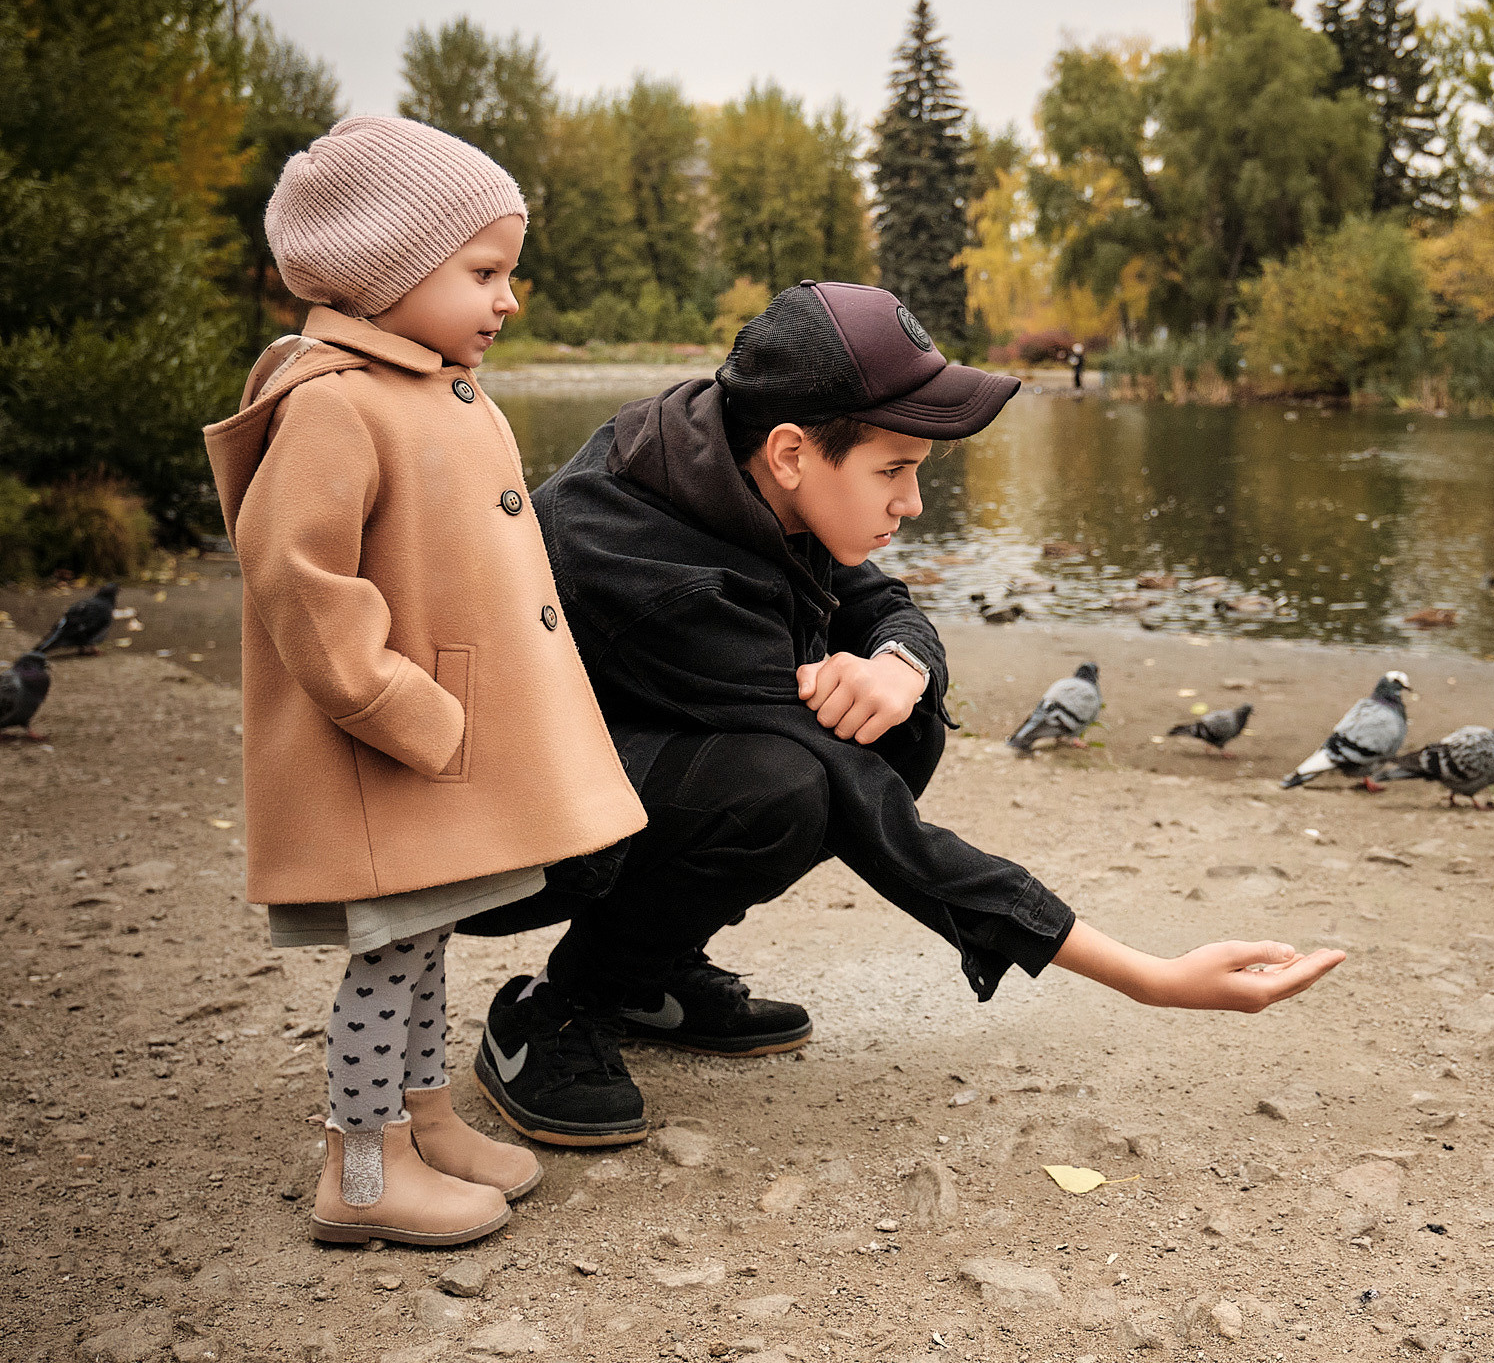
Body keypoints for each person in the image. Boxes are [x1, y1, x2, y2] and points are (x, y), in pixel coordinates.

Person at [462, 281, 1343, 1143]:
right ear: (793, 452)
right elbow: (868, 813)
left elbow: (883, 602)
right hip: (498, 836)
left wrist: (901, 661)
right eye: (894, 471)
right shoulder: (656, 564)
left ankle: (639, 972)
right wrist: (1144, 975)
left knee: (900, 719)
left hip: (615, 766)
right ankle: (555, 1007)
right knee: (784, 785)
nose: (912, 503)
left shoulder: (731, 454)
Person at [203, 116, 647, 1245]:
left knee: (428, 936)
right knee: (387, 950)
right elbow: (298, 577)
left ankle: (423, 1115)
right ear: (385, 269)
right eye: (482, 272)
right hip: (392, 745)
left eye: (507, 272)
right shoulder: (334, 402)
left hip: (433, 751)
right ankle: (361, 1171)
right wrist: (407, 703)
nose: (507, 300)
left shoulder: (432, 388)